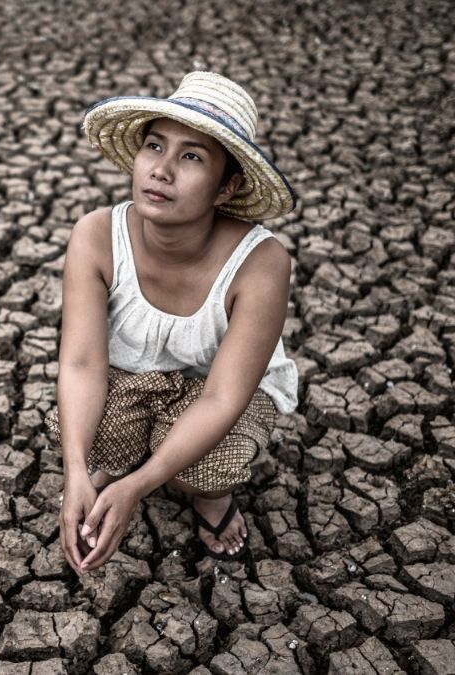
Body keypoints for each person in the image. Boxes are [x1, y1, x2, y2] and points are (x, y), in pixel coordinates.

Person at [49, 71, 300, 573]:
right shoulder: (97, 235)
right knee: (79, 434)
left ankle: (207, 498)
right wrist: (74, 473)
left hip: (215, 392)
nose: (161, 170)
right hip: (129, 378)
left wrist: (139, 487)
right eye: (154, 146)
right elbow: (80, 364)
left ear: (226, 186)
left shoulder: (261, 262)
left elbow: (222, 398)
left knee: (204, 465)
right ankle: (114, 466)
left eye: (191, 157)